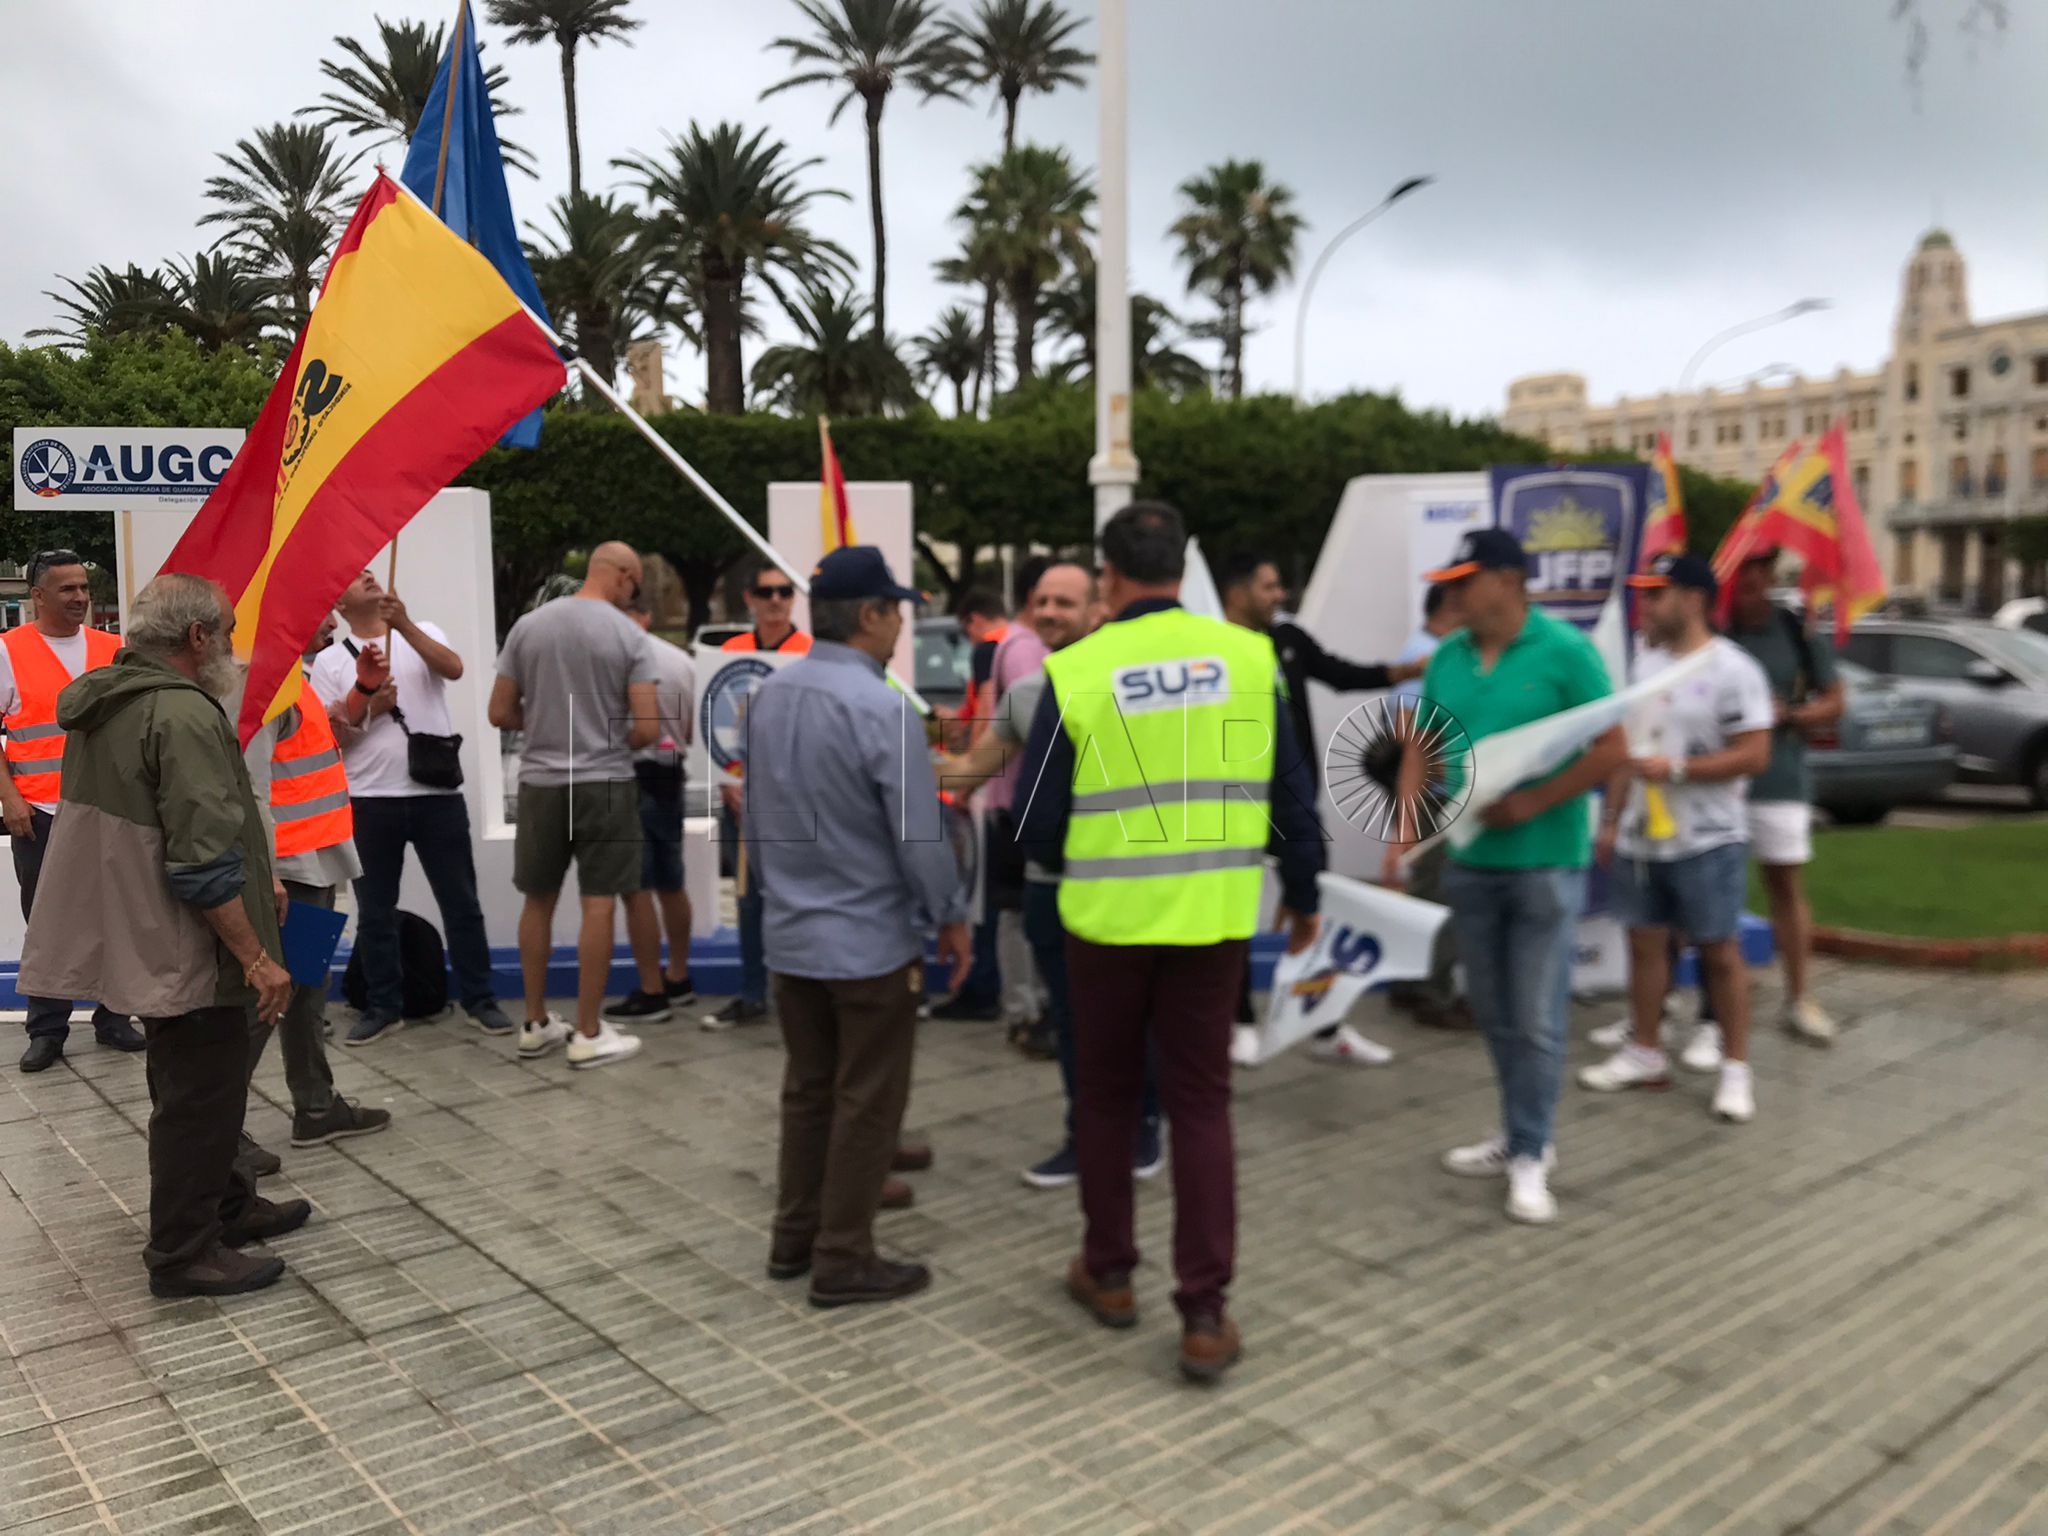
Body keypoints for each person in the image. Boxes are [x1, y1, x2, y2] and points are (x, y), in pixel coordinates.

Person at [1018, 503, 1326, 1384]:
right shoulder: (1248, 657)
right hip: (1213, 923)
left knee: (1109, 1100)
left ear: (1108, 578)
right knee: (1199, 1106)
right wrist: (1302, 898)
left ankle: (1108, 1273)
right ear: (1184, 566)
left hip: (1104, 929)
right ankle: (1204, 1314)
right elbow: (1289, 800)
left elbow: (1039, 829)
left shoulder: (1078, 671)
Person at [18, 573, 308, 1297]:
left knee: (189, 1080)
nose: (232, 648)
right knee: (201, 1093)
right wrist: (255, 956)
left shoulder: (113, 693)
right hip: (189, 941)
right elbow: (200, 858)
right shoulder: (181, 713)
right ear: (198, 637)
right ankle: (184, 1252)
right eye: (227, 632)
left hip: (146, 927)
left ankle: (229, 1206)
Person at [746, 546, 971, 1309]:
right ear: (870, 615)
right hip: (869, 943)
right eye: (897, 609)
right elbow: (919, 836)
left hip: (793, 936)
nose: (903, 623)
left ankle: (794, 1238)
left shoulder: (770, 697)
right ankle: (843, 1258)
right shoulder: (881, 708)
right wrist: (951, 915)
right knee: (868, 1099)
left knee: (809, 1091)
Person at [938, 561, 1165, 1189]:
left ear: (1098, 608)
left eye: (1065, 602)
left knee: (1131, 1018)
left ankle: (1144, 1126)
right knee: (1070, 1024)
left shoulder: (1134, 685)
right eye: (1041, 601)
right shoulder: (1030, 693)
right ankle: (1085, 1135)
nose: (1048, 613)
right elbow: (965, 773)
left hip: (1122, 886)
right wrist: (904, 740)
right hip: (1047, 887)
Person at [1422, 529, 1626, 1226]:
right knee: (1497, 1011)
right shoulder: (1446, 657)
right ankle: (1516, 1132)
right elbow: (1429, 747)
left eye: (1465, 579)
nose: (1451, 592)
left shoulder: (1567, 653)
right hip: (1472, 861)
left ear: (1507, 581)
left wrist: (1535, 800)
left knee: (1537, 1018)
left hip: (1544, 862)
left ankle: (1534, 1152)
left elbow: (1613, 750)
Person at [1577, 555, 1772, 1124]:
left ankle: (1736, 1068)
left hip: (1708, 836)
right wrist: (1611, 819)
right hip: (1641, 833)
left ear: (1692, 599)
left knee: (1719, 949)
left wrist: (1681, 770)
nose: (1647, 605)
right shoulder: (1644, 664)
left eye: (1657, 594)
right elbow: (1624, 750)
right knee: (1644, 944)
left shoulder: (1734, 669)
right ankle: (1645, 1049)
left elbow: (1755, 753)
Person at [1219, 552, 1416, 1068]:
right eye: (1269, 585)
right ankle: (1237, 1022)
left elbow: (1341, 673)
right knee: (1233, 915)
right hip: (1234, 805)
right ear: (1235, 593)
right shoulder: (1210, 651)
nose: (1279, 595)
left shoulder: (1288, 640)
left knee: (1316, 910)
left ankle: (1326, 1028)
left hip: (1294, 803)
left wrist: (1406, 671)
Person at [310, 568, 513, 1045]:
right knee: (375, 910)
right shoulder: (329, 661)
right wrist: (368, 702)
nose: (365, 573)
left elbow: (454, 667)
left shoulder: (421, 633)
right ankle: (384, 1005)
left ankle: (480, 999)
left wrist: (404, 626)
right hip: (368, 798)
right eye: (351, 576)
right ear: (338, 605)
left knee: (461, 902)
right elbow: (331, 735)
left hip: (435, 796)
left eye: (369, 570)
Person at [489, 542, 662, 1069]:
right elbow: (649, 727)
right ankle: (587, 1032)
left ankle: (536, 1022)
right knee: (599, 901)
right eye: (635, 584)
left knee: (537, 901)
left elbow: (499, 711)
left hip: (540, 782)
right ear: (625, 577)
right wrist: (606, 743)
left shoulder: (529, 626)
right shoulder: (629, 634)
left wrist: (544, 728)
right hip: (604, 782)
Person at [240, 649, 394, 1166]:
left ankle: (316, 1107)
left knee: (304, 992)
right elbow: (251, 788)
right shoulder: (263, 687)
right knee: (274, 998)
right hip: (294, 867)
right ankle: (217, 1125)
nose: (328, 615)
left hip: (316, 859)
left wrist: (362, 695)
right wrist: (270, 870)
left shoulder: (291, 678)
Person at [1, 549, 145, 1071]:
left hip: (109, 808)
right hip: (39, 811)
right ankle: (47, 1029)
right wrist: (10, 797)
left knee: (117, 915)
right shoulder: (8, 649)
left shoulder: (114, 649)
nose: (80, 597)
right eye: (67, 589)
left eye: (83, 588)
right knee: (46, 921)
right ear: (37, 596)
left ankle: (114, 1018)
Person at [1723, 547, 1844, 1044]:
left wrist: (1791, 716)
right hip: (1719, 782)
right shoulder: (1713, 630)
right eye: (1743, 567)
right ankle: (1715, 1007)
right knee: (1712, 890)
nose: (1752, 576)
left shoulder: (1797, 629)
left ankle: (1799, 998)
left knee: (1785, 888)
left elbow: (1835, 701)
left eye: (1761, 567)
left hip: (1780, 778)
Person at [707, 560, 812, 1032]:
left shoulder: (811, 652)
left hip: (796, 801)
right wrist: (727, 781)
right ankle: (753, 992)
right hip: (741, 798)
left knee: (801, 895)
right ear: (749, 598)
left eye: (784, 592)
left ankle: (805, 991)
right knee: (749, 900)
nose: (775, 600)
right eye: (766, 591)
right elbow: (712, 722)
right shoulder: (729, 650)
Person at [603, 595, 699, 1023]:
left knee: (636, 890)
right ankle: (678, 975)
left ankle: (651, 988)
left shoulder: (616, 661)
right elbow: (695, 728)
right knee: (671, 883)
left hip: (630, 778)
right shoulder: (681, 661)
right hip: (671, 777)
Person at [1379, 581, 1471, 1028]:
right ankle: (1432, 995)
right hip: (1435, 797)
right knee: (1438, 897)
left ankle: (1411, 986)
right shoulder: (1428, 656)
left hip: (1431, 794)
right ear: (1450, 607)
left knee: (1425, 895)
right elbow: (1406, 733)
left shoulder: (1431, 652)